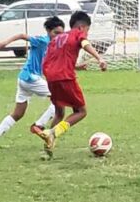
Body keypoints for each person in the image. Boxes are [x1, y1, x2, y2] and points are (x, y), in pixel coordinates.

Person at [0, 16, 65, 151]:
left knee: (18, 113)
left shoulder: (55, 45)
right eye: (55, 33)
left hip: (24, 78)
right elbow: (21, 35)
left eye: (61, 34)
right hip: (31, 79)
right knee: (60, 99)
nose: (58, 36)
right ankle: (39, 126)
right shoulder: (42, 41)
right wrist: (4, 43)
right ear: (49, 31)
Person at [41, 11, 107, 158]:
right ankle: (52, 132)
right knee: (81, 111)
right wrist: (99, 58)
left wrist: (75, 66)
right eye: (88, 30)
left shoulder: (57, 38)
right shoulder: (77, 34)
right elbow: (84, 44)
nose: (87, 34)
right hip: (65, 78)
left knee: (59, 113)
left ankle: (47, 149)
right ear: (82, 27)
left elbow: (51, 60)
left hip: (51, 79)